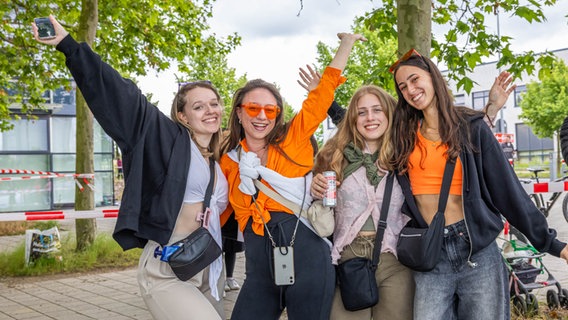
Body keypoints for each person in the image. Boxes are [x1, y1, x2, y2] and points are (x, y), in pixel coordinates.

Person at [33, 16, 228, 319]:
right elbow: (125, 98)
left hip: (207, 266)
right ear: (183, 116)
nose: (210, 111)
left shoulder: (218, 158)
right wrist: (69, 46)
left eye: (214, 103)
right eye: (198, 106)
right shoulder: (166, 138)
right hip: (166, 268)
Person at [389, 48, 568, 319]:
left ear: (432, 77)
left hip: (476, 251)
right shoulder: (402, 135)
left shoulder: (471, 127)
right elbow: (363, 124)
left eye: (415, 79)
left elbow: (508, 192)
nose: (410, 90)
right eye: (403, 87)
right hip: (430, 254)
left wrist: (553, 244)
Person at [219, 33, 365, 320]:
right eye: (253, 108)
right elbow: (216, 205)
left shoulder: (293, 138)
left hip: (309, 256)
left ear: (277, 113)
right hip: (260, 265)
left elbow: (322, 95)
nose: (262, 116)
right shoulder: (227, 159)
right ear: (238, 113)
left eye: (270, 109)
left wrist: (346, 44)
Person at [310, 82, 414, 319]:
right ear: (353, 118)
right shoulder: (335, 155)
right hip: (349, 256)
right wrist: (314, 188)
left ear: (389, 113)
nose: (370, 117)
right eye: (362, 112)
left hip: (394, 257)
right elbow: (316, 200)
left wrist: (490, 111)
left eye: (377, 110)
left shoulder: (406, 153)